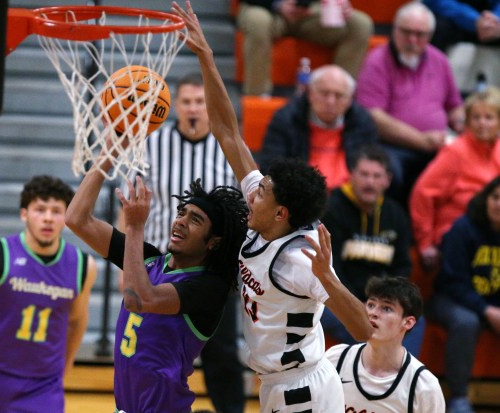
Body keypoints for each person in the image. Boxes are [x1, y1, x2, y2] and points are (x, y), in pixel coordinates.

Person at [172, 2, 373, 411]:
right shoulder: (265, 212)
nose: (253, 191)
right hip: (276, 384)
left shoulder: (301, 260)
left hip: (304, 389)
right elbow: (228, 133)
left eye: (262, 191)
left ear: (281, 213)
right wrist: (206, 58)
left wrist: (328, 280)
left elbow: (364, 330)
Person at [66, 141, 249, 412]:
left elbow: (139, 299)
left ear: (213, 242)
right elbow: (76, 219)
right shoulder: (151, 260)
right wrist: (109, 153)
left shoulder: (209, 287)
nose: (181, 222)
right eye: (181, 213)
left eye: (196, 220)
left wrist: (136, 226)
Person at [122, 72, 245, 413]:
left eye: (200, 102)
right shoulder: (152, 144)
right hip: (160, 262)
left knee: (222, 353)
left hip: (209, 268)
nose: (193, 108)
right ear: (174, 106)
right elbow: (130, 205)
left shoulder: (228, 149)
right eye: (187, 101)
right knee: (152, 349)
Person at [0, 175, 97, 412]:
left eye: (56, 211)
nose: (48, 218)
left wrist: (65, 368)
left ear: (67, 218)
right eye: (40, 210)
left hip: (42, 386)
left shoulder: (83, 265)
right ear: (24, 214)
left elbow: (77, 321)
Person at [356, 1, 465, 207]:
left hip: (437, 144)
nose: (413, 40)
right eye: (407, 32)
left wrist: (461, 123)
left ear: (430, 36)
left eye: (420, 34)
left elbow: (454, 105)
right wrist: (421, 140)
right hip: (391, 146)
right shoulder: (377, 61)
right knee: (390, 172)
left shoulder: (439, 60)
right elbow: (374, 118)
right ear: (395, 30)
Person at [320, 145, 425, 356]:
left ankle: (398, 380)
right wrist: (359, 306)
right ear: (351, 175)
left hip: (381, 301)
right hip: (338, 298)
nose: (370, 182)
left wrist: (388, 304)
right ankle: (369, 378)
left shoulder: (396, 215)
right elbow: (331, 268)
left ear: (387, 180)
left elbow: (402, 267)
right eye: (364, 175)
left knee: (415, 321)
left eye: (377, 176)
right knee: (359, 326)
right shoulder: (332, 209)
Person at [426, 176, 500, 413]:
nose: (499, 204)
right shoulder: (464, 227)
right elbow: (453, 281)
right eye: (495, 197)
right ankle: (458, 398)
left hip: (492, 304)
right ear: (486, 199)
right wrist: (486, 310)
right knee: (467, 322)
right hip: (452, 299)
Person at [410, 86, 500, 272]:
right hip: (459, 236)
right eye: (476, 117)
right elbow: (421, 194)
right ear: (467, 121)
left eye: (489, 117)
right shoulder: (455, 152)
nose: (482, 123)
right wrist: (425, 243)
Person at [326, 276, 445, 413]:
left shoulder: (424, 387)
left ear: (408, 322)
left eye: (386, 308)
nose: (373, 313)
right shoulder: (336, 359)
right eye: (371, 305)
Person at [258, 64, 378, 190]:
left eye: (339, 95)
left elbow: (371, 165)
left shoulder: (362, 122)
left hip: (348, 199)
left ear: (349, 100)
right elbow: (271, 167)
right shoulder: (286, 119)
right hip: (301, 197)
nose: (330, 101)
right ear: (310, 94)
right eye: (324, 93)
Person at [236, 0, 373, 96]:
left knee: (360, 24)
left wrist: (340, 4)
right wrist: (278, 4)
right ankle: (258, 96)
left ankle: (340, 96)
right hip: (265, 8)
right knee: (258, 21)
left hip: (309, 11)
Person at [423, 0, 500, 52]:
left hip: (488, 22)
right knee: (433, 27)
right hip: (451, 19)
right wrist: (475, 20)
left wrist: (496, 19)